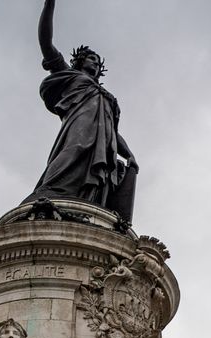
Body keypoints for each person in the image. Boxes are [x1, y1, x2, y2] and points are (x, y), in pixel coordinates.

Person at [24, 0, 139, 223]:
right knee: (72, 152)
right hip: (78, 130)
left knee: (100, 176)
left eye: (98, 62)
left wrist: (128, 154)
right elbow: (46, 43)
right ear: (80, 61)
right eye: (91, 58)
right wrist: (50, 4)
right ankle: (49, 191)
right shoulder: (71, 76)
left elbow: (112, 131)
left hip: (103, 144)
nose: (95, 64)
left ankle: (85, 206)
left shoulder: (106, 96)